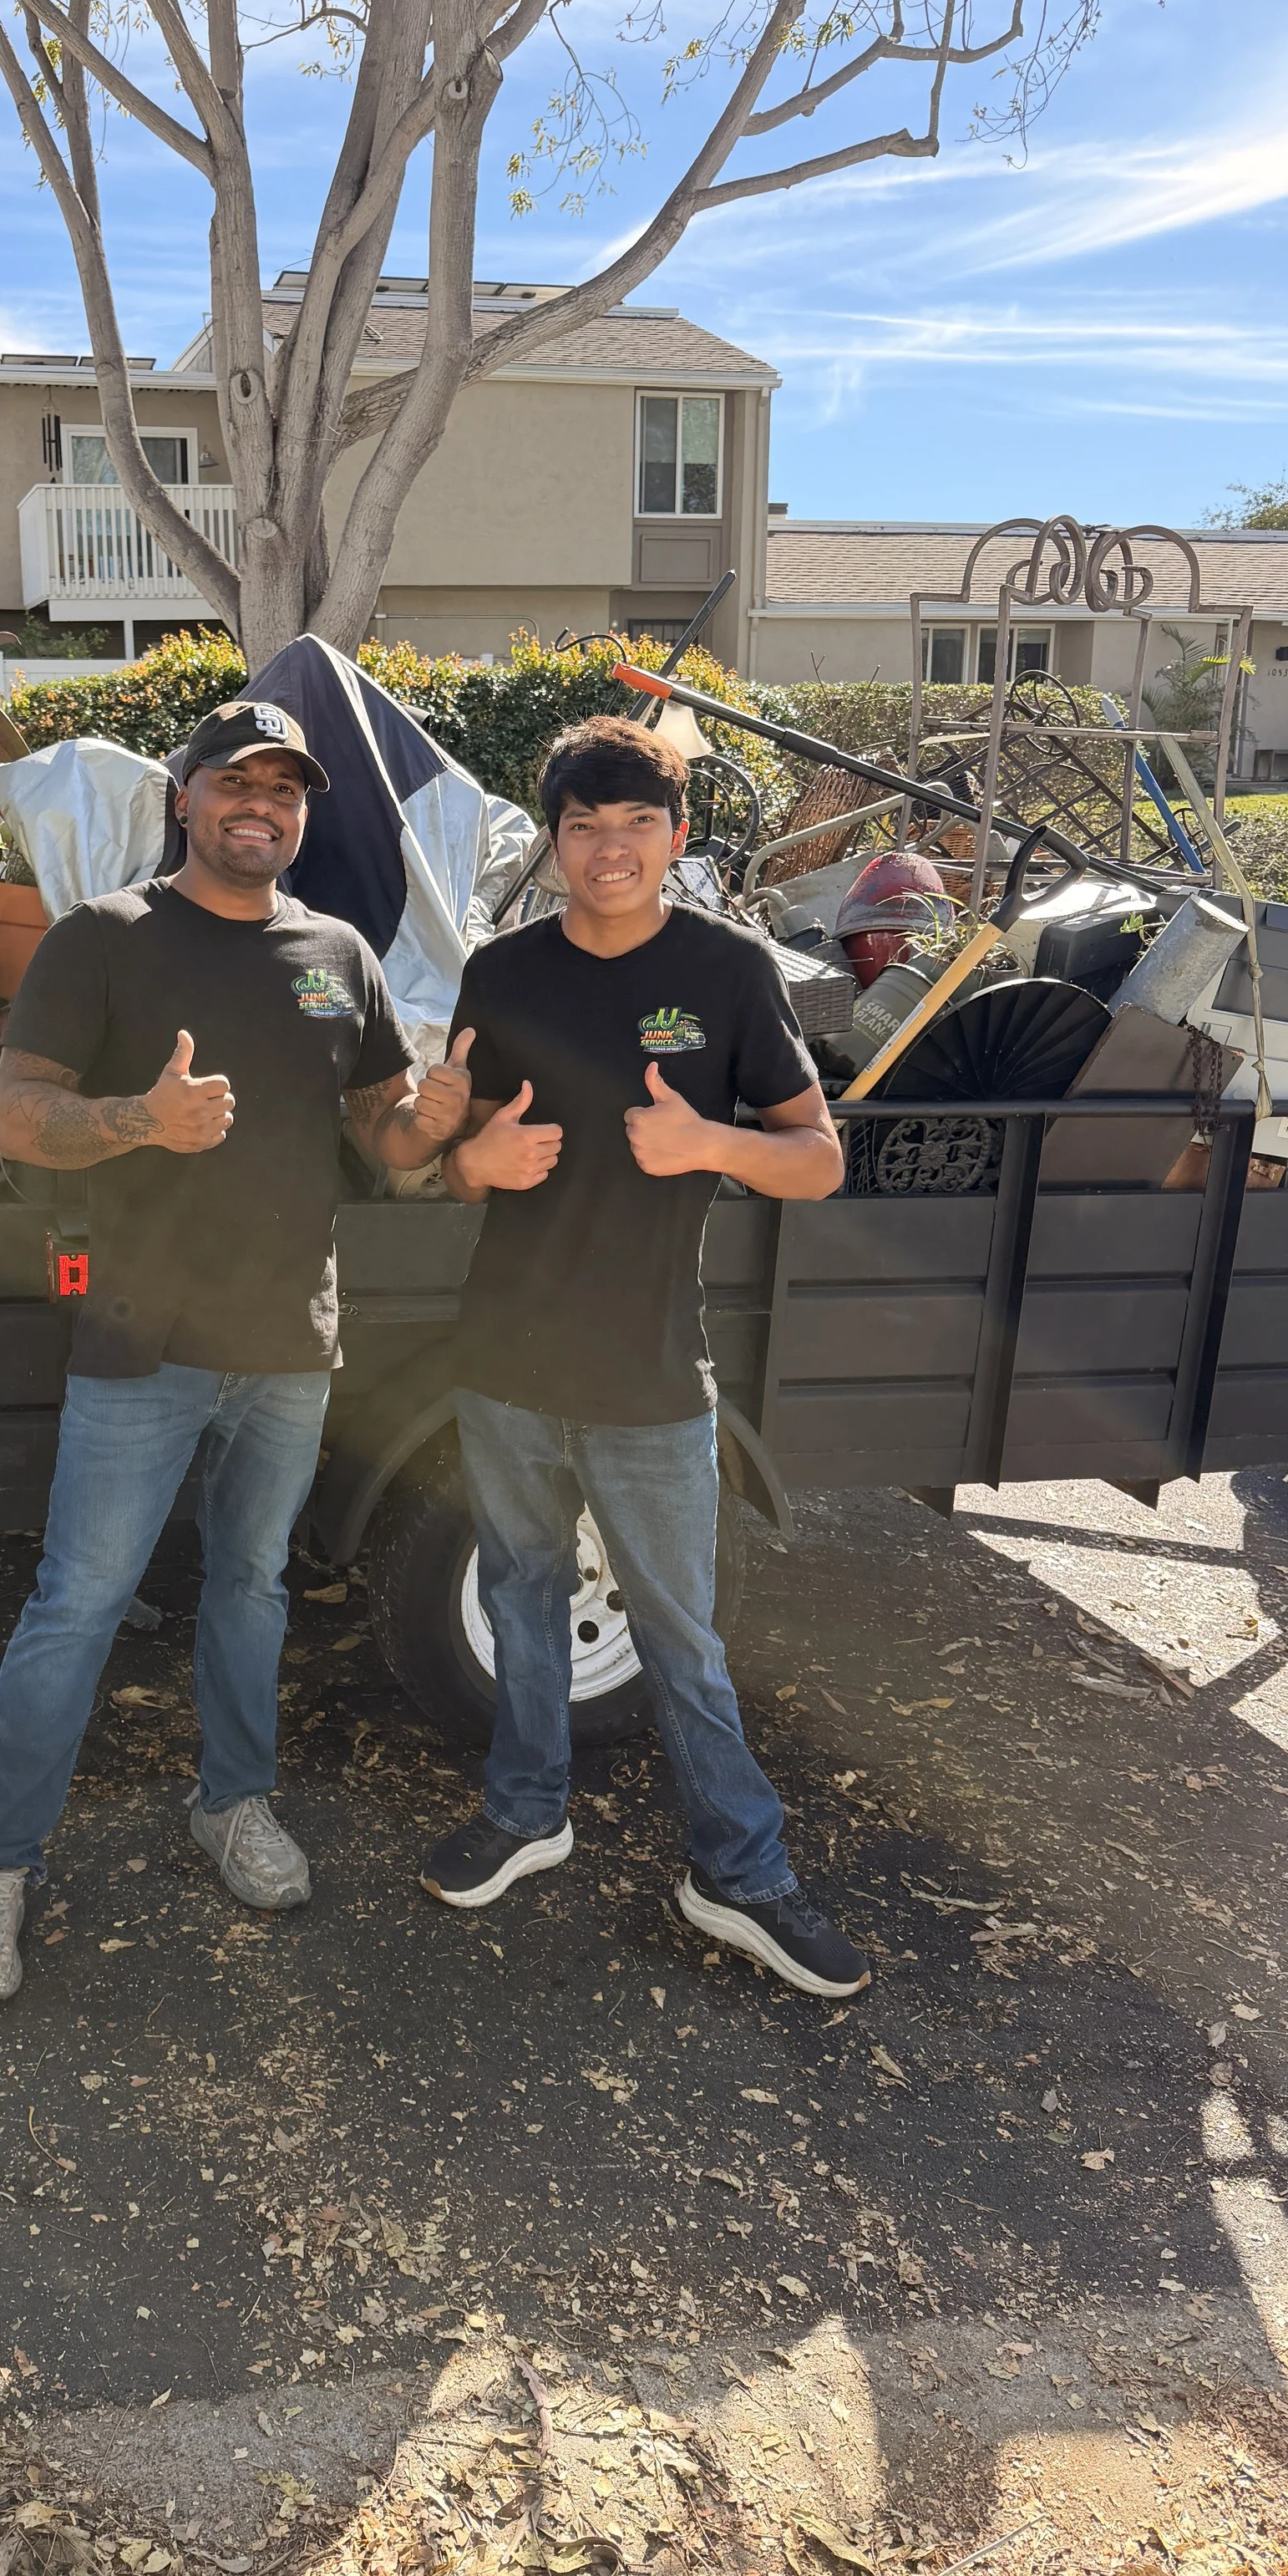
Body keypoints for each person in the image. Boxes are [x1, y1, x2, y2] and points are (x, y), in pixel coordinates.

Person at [0, 699, 471, 2001]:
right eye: (238, 782)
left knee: (252, 1590)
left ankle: (233, 1805)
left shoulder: (336, 950)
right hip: (144, 1340)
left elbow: (379, 1136)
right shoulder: (105, 939)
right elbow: (16, 1118)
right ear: (187, 796)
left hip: (293, 1342)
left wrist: (432, 1122)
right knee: (79, 1605)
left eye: (286, 791)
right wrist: (138, 1121)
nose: (262, 807)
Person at [418, 715, 870, 1999]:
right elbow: (455, 1153)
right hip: (504, 1360)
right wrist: (469, 1167)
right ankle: (528, 1812)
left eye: (635, 827)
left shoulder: (730, 974)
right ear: (552, 840)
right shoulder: (500, 976)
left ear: (675, 840)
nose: (608, 851)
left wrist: (712, 1147)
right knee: (519, 1598)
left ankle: (741, 1872)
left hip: (651, 1375)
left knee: (681, 1640)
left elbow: (820, 1160)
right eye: (582, 826)